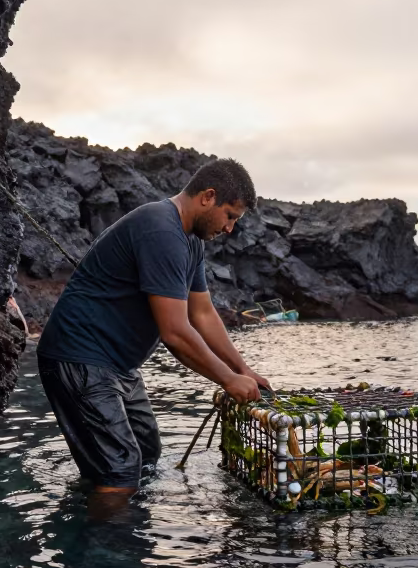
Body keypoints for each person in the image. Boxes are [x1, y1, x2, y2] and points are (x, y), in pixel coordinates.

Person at [36, 158, 272, 501]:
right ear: (208, 197)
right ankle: (101, 551)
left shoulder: (192, 241)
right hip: (79, 357)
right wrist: (227, 380)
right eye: (230, 216)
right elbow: (175, 332)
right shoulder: (161, 230)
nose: (230, 228)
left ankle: (112, 520)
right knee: (121, 472)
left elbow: (203, 314)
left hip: (119, 366)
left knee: (146, 454)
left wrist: (242, 370)